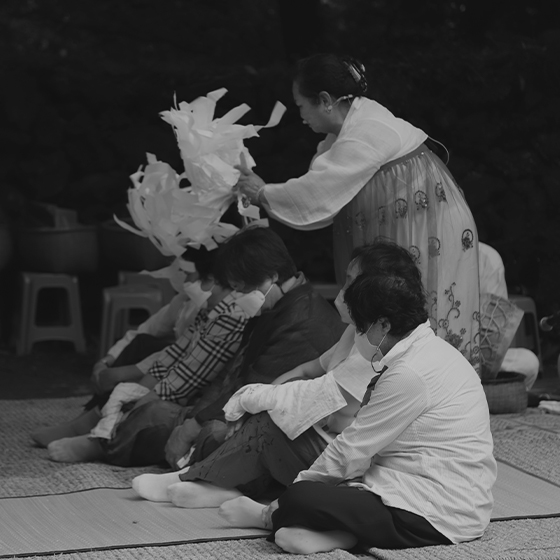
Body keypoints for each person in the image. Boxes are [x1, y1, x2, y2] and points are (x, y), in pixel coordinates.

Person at [218, 242, 496, 554]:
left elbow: (352, 448)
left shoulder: (410, 373)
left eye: (362, 328)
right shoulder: (420, 351)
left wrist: (286, 500)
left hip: (436, 507)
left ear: (384, 324)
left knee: (301, 497)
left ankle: (270, 517)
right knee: (322, 490)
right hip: (408, 481)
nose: (359, 335)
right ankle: (340, 534)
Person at [237, 52, 480, 367]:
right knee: (397, 301)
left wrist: (262, 193)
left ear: (325, 100)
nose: (301, 115)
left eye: (301, 105)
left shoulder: (366, 131)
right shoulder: (352, 128)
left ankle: (427, 380)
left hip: (422, 227)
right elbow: (324, 187)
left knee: (414, 301)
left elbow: (318, 191)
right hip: (412, 222)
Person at [131, 243, 413, 506]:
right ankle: (213, 482)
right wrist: (262, 398)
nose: (344, 289)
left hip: (348, 458)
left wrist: (257, 400)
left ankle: (198, 478)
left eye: (352, 281)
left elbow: (327, 397)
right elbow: (308, 369)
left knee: (257, 424)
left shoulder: (380, 339)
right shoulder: (356, 329)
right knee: (225, 426)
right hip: (322, 434)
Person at [41, 248, 258, 464]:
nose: (198, 286)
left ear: (236, 287)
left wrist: (136, 403)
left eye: (209, 281)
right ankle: (98, 420)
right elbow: (173, 353)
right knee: (138, 367)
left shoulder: (232, 314)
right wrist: (135, 391)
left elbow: (187, 378)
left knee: (155, 411)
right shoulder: (209, 308)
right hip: (186, 388)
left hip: (202, 401)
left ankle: (104, 443)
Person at [479, 242, 539, 389]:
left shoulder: (485, 256)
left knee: (528, 363)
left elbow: (494, 336)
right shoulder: (423, 249)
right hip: (431, 359)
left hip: (474, 360)